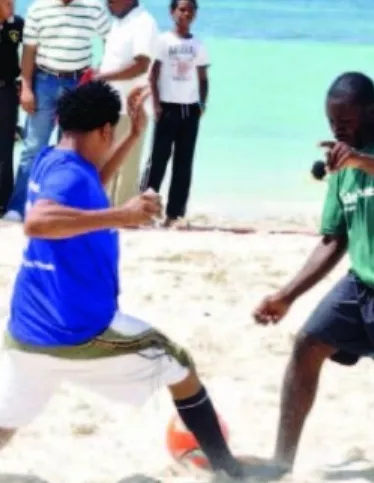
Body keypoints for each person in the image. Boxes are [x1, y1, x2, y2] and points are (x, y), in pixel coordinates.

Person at [0, 80, 251, 480]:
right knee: (177, 363)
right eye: (111, 134)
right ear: (103, 130)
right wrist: (122, 216)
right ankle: (231, 470)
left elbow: (87, 188)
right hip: (77, 328)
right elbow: (38, 222)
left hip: (27, 329)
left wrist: (133, 135)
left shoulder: (53, 159)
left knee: (8, 420)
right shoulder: (68, 176)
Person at [253, 72, 374, 472]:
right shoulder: (343, 163)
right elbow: (333, 240)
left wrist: (361, 160)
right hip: (360, 287)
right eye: (332, 123)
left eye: (347, 121)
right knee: (308, 346)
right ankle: (281, 462)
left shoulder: (358, 158)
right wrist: (286, 295)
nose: (338, 131)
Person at [4, 0, 111, 223]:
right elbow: (29, 51)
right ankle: (18, 206)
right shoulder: (38, 8)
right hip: (44, 82)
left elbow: (111, 39)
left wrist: (102, 70)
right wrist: (26, 87)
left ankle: (63, 205)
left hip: (78, 83)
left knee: (73, 150)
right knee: (33, 147)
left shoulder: (93, 7)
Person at [141, 0, 209, 228]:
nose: (186, 13)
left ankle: (175, 214)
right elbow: (153, 75)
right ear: (172, 12)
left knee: (184, 163)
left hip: (189, 110)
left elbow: (203, 78)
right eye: (182, 9)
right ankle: (145, 209)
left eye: (190, 10)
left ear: (195, 14)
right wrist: (157, 105)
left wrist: (202, 105)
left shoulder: (198, 44)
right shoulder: (163, 41)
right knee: (158, 160)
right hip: (167, 108)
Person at [97, 0, 158, 207]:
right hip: (110, 105)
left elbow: (141, 65)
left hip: (130, 107)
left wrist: (103, 77)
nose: (107, 3)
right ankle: (105, 213)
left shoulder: (143, 22)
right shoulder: (118, 22)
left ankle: (125, 214)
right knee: (107, 161)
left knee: (126, 165)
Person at [0, 0, 23, 216]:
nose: (12, 6)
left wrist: (26, 81)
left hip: (7, 91)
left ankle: (5, 202)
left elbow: (31, 52)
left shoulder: (16, 26)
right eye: (7, 2)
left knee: (5, 147)